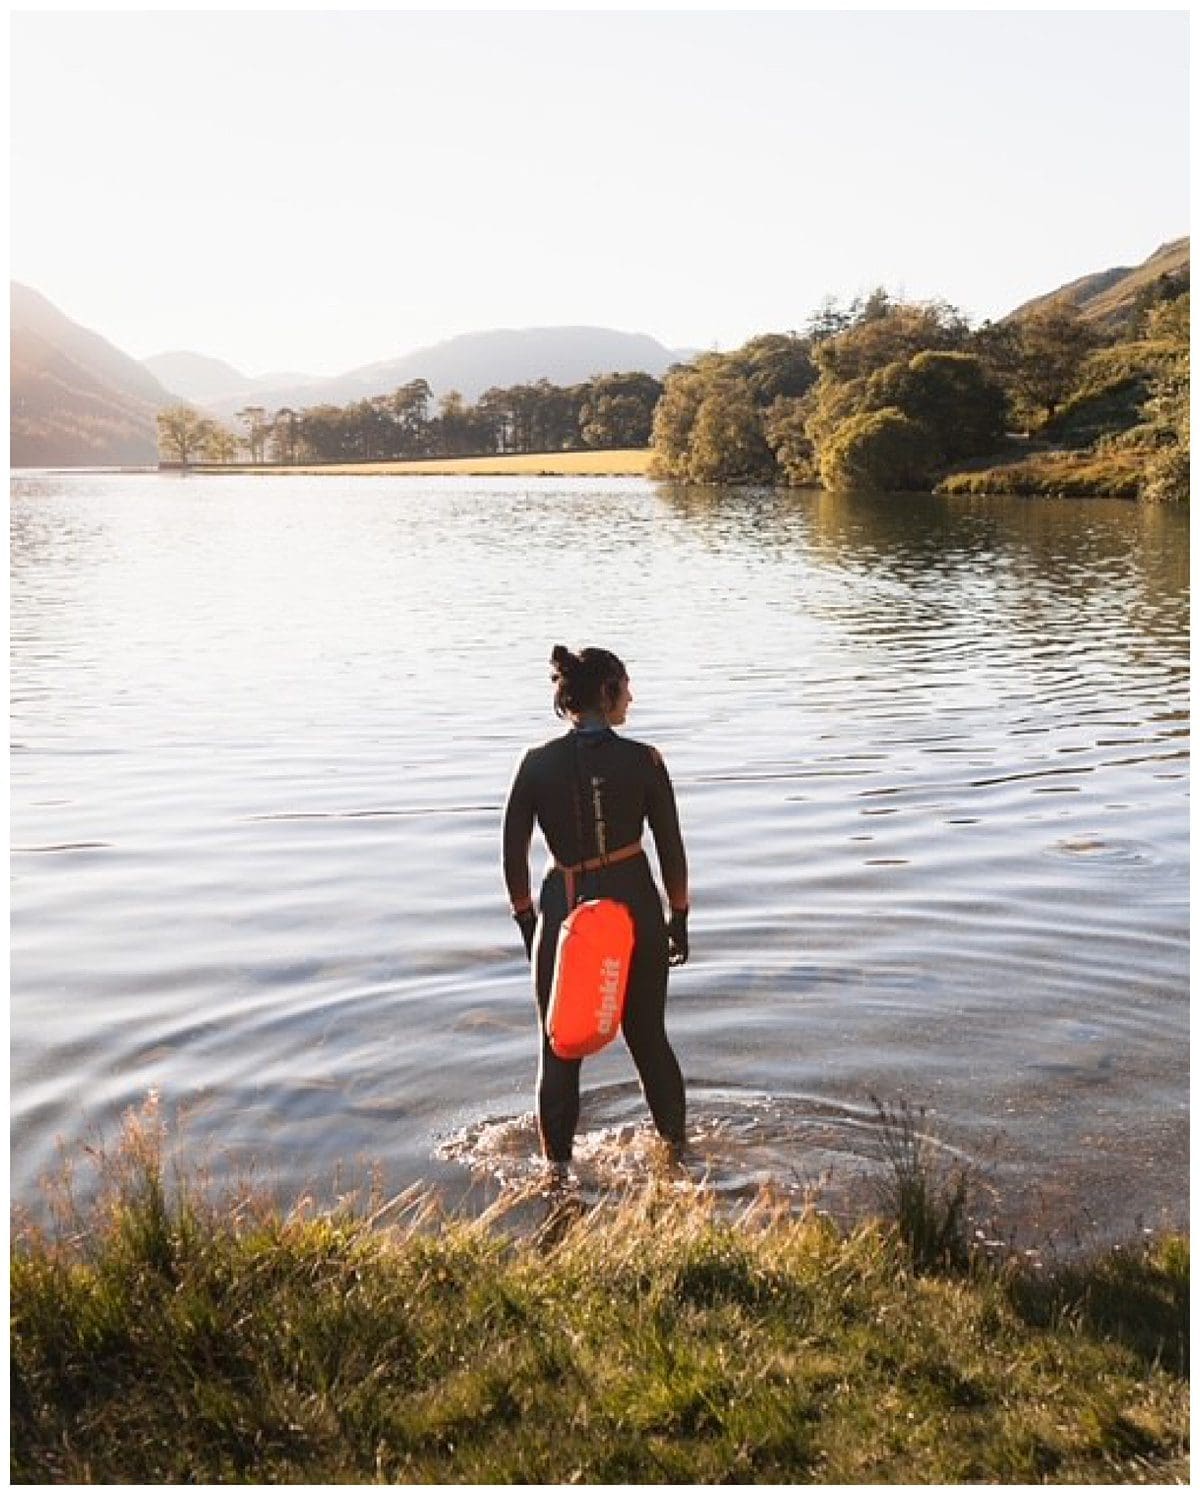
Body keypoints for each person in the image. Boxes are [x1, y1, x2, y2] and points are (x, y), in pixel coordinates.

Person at [502, 644, 690, 1173]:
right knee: (649, 1039)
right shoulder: (644, 760)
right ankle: (676, 1158)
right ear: (606, 693)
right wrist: (678, 916)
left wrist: (526, 920)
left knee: (558, 1047)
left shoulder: (536, 764)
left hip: (565, 909)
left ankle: (556, 1177)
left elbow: (512, 851)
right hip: (634, 907)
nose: (631, 696)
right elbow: (672, 849)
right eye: (626, 686)